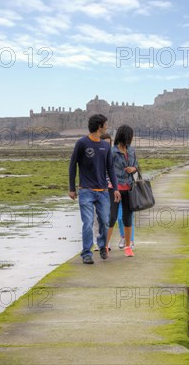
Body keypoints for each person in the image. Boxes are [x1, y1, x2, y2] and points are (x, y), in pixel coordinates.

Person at [69, 114, 120, 265]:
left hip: (103, 191)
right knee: (88, 222)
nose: (107, 126)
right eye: (106, 124)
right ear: (100, 126)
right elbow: (72, 165)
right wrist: (72, 188)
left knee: (105, 221)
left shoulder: (105, 146)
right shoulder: (82, 143)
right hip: (86, 191)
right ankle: (86, 253)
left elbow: (110, 168)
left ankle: (103, 246)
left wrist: (115, 188)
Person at [107, 124, 138, 257]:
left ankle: (128, 246)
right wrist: (114, 187)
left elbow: (136, 165)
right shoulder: (112, 152)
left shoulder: (131, 150)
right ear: (123, 136)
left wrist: (133, 169)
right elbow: (107, 170)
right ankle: (105, 245)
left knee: (127, 217)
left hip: (129, 188)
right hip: (114, 189)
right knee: (112, 217)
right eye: (129, 136)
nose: (130, 139)